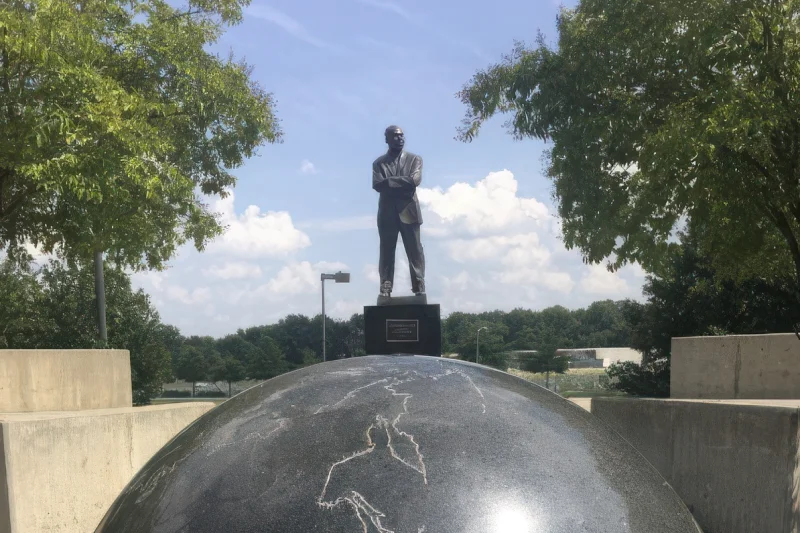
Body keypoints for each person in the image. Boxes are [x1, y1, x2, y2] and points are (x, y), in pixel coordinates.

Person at [372, 125, 426, 297]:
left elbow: (415, 180)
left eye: (402, 136)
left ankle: (418, 283)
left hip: (409, 211)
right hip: (387, 213)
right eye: (395, 136)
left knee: (415, 249)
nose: (400, 138)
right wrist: (404, 183)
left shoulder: (414, 159)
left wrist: (391, 182)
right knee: (387, 250)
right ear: (387, 139)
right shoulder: (379, 163)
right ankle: (386, 285)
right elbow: (378, 185)